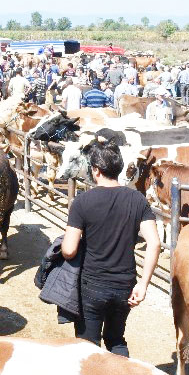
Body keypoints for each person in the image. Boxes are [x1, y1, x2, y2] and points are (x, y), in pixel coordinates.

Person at [61, 141, 160, 357]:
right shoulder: (138, 200)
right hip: (125, 285)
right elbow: (154, 243)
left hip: (92, 284)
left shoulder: (82, 202)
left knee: (87, 345)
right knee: (116, 340)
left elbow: (69, 250)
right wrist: (143, 285)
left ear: (96, 170)